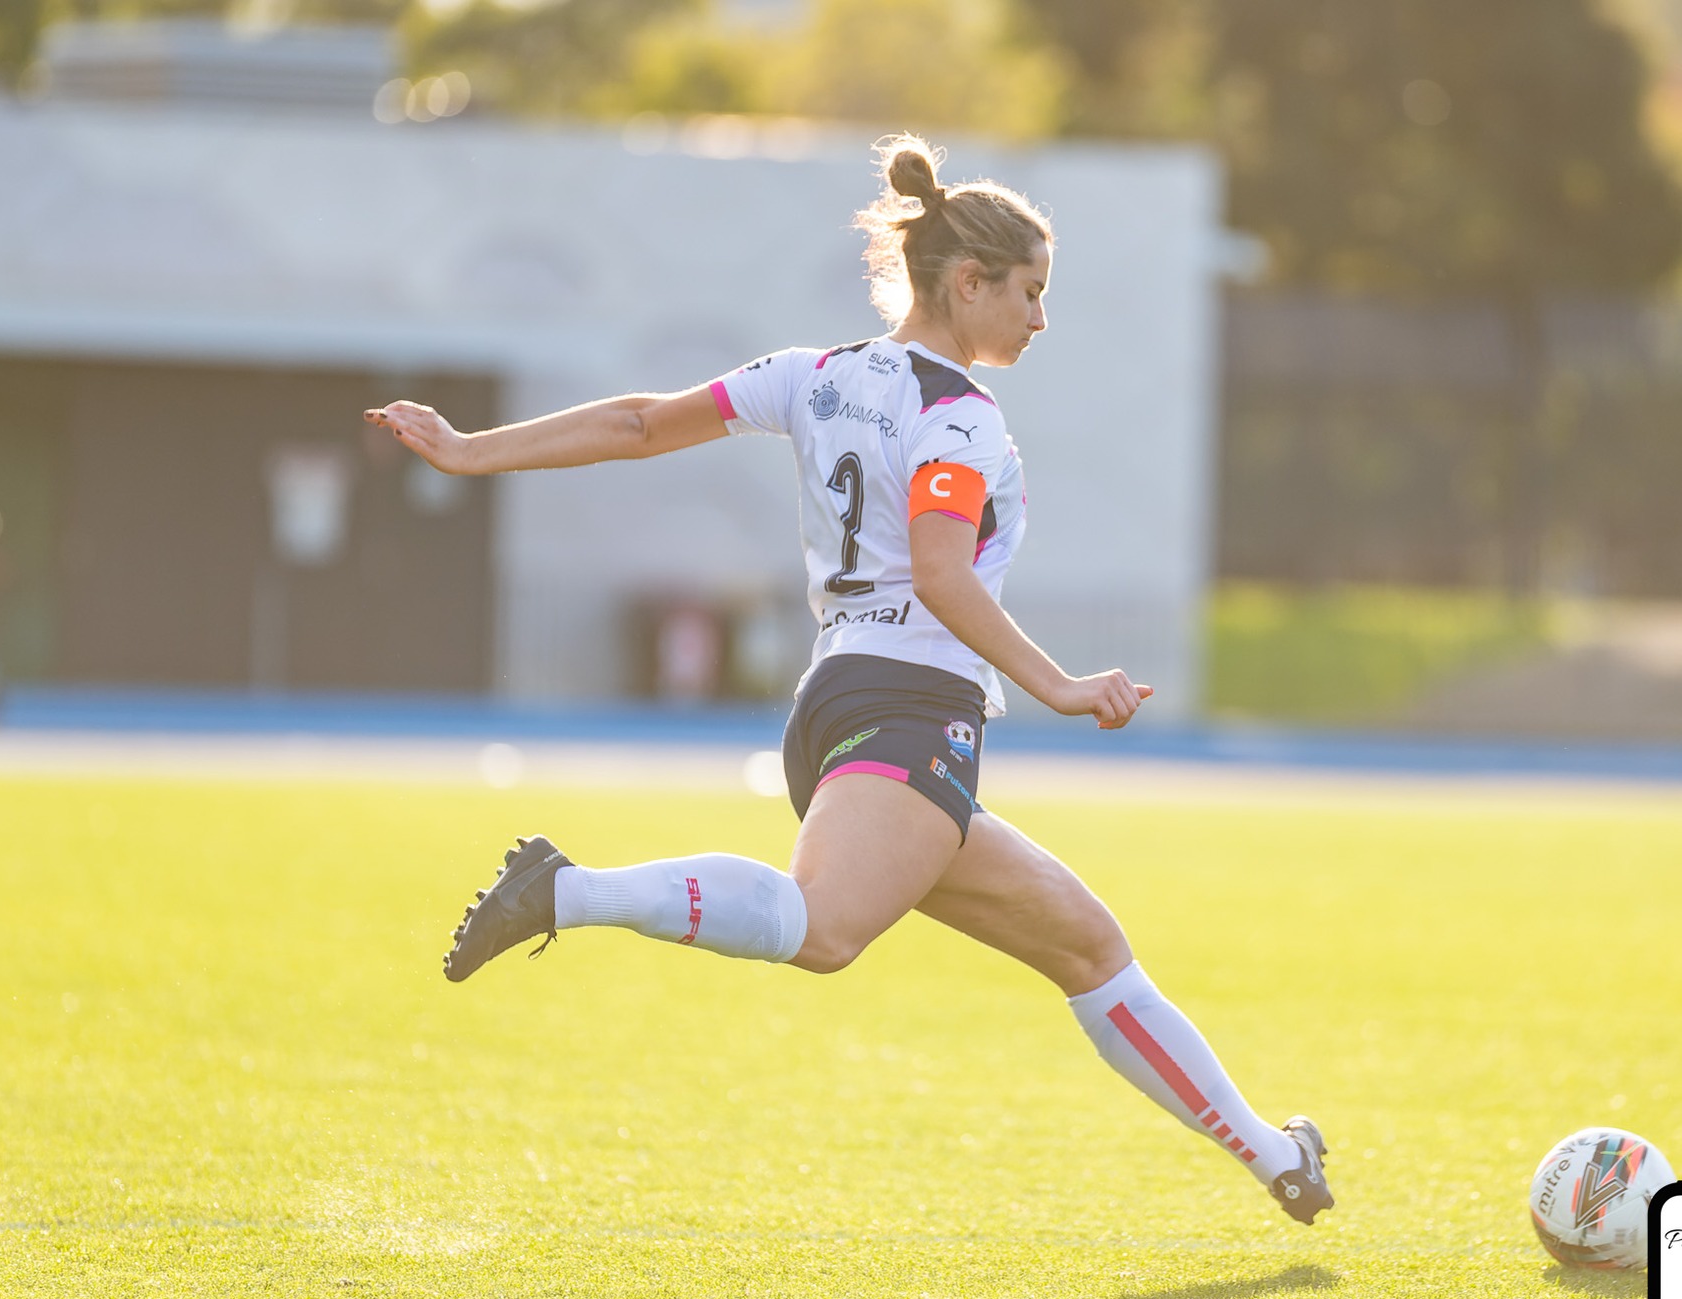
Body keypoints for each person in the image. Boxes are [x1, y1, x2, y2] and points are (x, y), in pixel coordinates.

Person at [365, 135, 1333, 1225]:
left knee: (1086, 945)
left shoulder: (812, 376)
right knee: (822, 933)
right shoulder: (960, 416)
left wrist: (468, 449)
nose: (1039, 319)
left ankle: (1276, 1157)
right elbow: (938, 570)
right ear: (965, 282)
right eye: (1028, 292)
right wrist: (1059, 685)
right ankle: (570, 890)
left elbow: (638, 424)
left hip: (839, 707)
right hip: (909, 712)